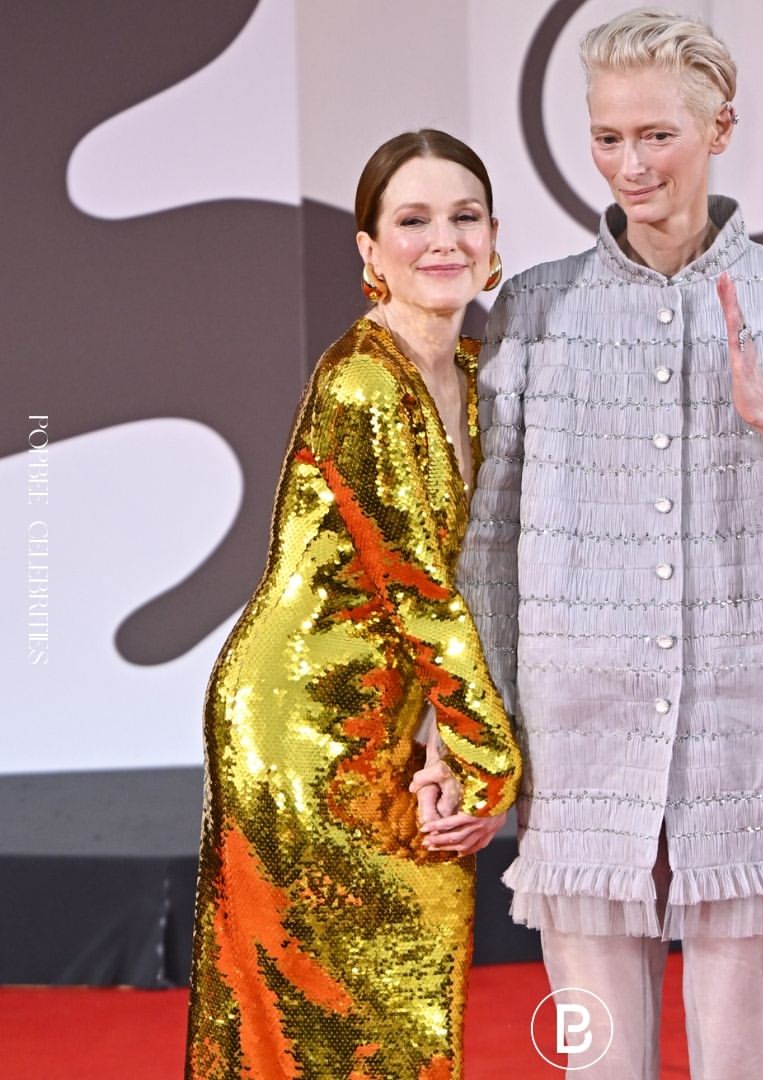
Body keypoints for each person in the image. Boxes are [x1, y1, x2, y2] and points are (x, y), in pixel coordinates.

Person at [457, 8, 763, 1078]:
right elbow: (487, 543)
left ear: (720, 128)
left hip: (746, 732)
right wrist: (477, 723)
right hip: (579, 742)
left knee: (744, 1058)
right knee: (593, 1059)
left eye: (656, 136)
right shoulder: (533, 310)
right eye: (608, 138)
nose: (631, 165)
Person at [184, 129, 522, 1080]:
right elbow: (420, 592)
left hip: (402, 722)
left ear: (495, 236)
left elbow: (481, 576)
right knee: (333, 1027)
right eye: (414, 220)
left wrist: (450, 742)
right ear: (371, 250)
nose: (444, 239)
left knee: (407, 1013)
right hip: (303, 732)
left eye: (464, 216)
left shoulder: (478, 374)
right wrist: (489, 760)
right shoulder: (362, 379)